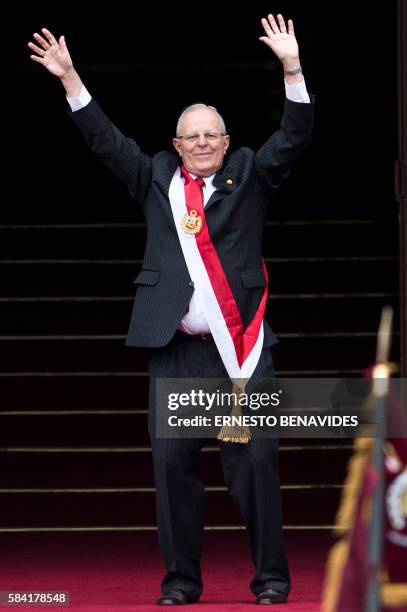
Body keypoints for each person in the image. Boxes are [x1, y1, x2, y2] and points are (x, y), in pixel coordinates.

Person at [28, 13, 314, 605]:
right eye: (192, 136)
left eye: (213, 134)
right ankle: (182, 581)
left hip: (241, 351)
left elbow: (294, 135)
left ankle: (271, 579)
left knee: (255, 465)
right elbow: (108, 143)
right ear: (177, 145)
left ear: (227, 142)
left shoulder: (252, 175)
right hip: (177, 352)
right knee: (173, 471)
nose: (203, 143)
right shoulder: (157, 178)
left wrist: (291, 68)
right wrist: (70, 79)